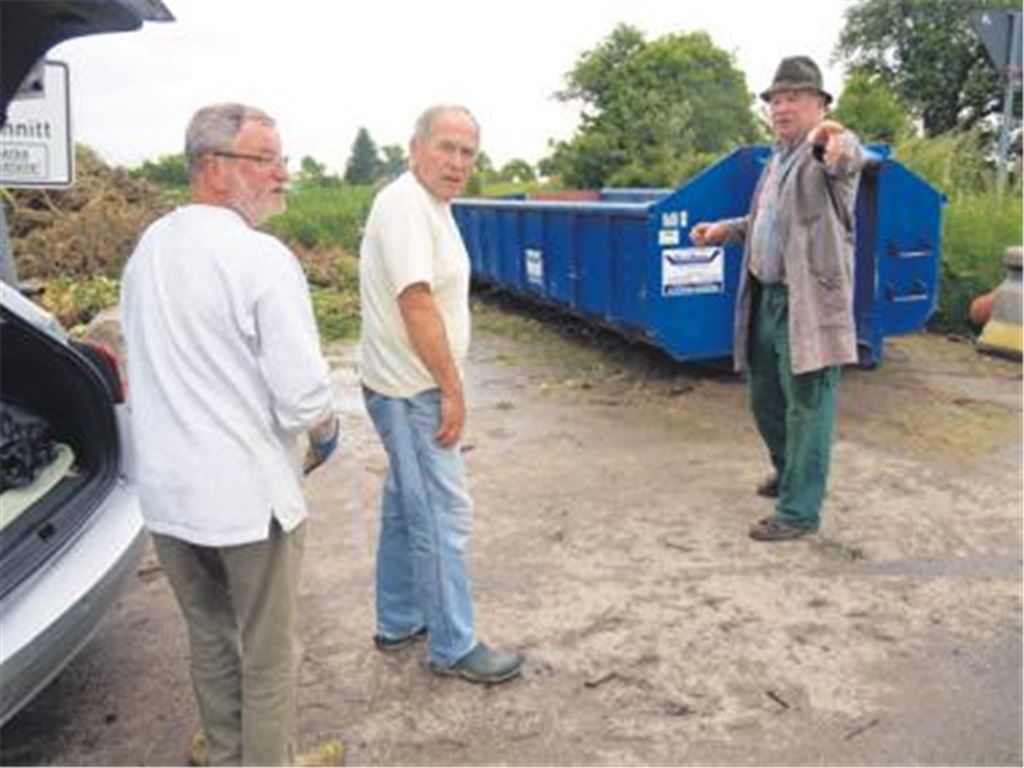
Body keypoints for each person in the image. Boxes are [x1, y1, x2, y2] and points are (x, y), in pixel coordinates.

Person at [120, 103, 339, 765]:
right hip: (246, 500)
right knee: (269, 655)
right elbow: (302, 392)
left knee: (212, 641)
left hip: (168, 497)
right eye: (265, 159)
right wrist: (326, 430)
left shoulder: (148, 249)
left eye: (281, 158)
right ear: (215, 169)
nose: (283, 174)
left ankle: (225, 754)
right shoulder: (259, 258)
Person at [359, 104, 522, 683]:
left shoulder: (431, 205)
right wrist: (452, 390)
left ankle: (399, 619)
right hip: (413, 390)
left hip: (408, 385)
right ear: (415, 147)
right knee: (441, 513)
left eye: (467, 152)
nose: (457, 162)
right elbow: (415, 301)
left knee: (408, 506)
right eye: (446, 147)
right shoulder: (405, 205)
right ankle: (454, 645)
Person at [690, 56, 866, 542]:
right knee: (765, 397)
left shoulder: (825, 156)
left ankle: (799, 511)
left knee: (809, 405)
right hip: (766, 296)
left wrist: (834, 139)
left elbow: (848, 156)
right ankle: (790, 471)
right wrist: (726, 230)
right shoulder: (775, 160)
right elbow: (767, 222)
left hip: (807, 303)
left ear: (819, 105)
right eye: (776, 100)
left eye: (793, 98)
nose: (782, 107)